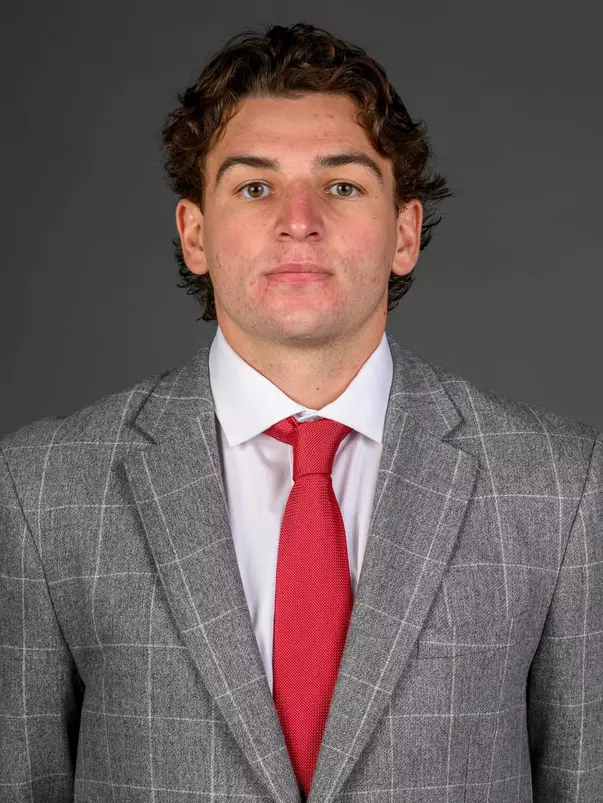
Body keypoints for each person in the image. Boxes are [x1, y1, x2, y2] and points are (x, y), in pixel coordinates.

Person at [1, 21, 601, 803]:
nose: (298, 219)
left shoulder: (558, 487)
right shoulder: (43, 488)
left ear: (404, 233)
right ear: (194, 235)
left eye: (341, 185)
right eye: (254, 186)